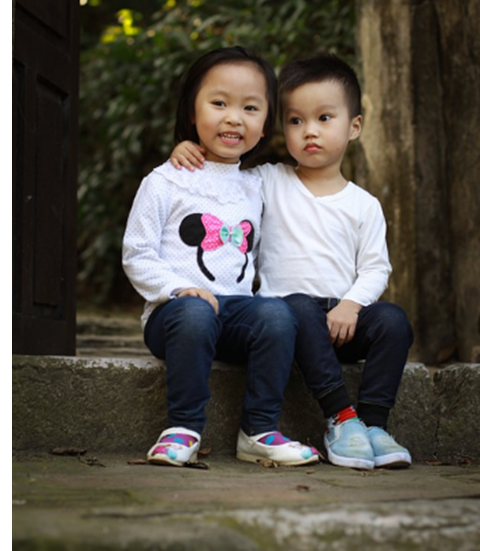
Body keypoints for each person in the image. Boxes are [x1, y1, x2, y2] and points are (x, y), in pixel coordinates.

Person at [170, 52, 414, 470]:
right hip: (287, 323)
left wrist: (352, 305)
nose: (309, 132)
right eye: (296, 121)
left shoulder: (364, 205)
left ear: (354, 126)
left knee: (394, 321)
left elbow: (376, 267)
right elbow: (222, 180)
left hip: (343, 320)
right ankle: (340, 415)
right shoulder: (266, 179)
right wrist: (189, 150)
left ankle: (372, 426)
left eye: (324, 118)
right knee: (295, 304)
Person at [122, 46, 319, 468]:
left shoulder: (257, 186)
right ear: (192, 112)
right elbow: (137, 252)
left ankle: (259, 430)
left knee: (279, 316)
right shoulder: (165, 180)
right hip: (173, 314)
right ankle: (183, 428)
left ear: (266, 125)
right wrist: (178, 289)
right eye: (218, 103)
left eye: (250, 107)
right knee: (195, 312)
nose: (234, 118)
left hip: (235, 315)